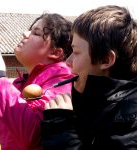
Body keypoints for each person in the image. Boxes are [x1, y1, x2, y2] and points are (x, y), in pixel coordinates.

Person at [41, 5, 137, 150]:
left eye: (76, 52)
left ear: (105, 60)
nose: (68, 61)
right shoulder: (94, 101)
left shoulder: (129, 116)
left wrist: (60, 130)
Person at [0, 13, 73, 150]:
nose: (24, 33)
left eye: (36, 33)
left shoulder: (63, 80)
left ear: (56, 53)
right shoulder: (19, 83)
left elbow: (34, 134)